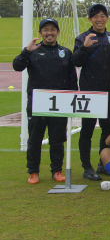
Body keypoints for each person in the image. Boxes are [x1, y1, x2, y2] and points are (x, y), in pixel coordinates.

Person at [13, 18, 78, 184]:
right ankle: (33, 172)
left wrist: (72, 99)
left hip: (60, 103)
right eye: (46, 30)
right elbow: (17, 66)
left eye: (53, 29)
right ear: (41, 33)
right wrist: (26, 51)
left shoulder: (65, 52)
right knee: (35, 139)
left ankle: (56, 170)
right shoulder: (32, 51)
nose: (50, 32)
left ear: (58, 32)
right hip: (37, 103)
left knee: (57, 140)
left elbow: (72, 79)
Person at [72, 3, 110, 181]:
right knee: (87, 130)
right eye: (95, 16)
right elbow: (76, 62)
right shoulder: (82, 37)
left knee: (108, 131)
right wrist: (84, 47)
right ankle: (87, 167)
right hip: (89, 93)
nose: (99, 19)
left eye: (102, 16)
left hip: (108, 92)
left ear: (107, 18)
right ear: (90, 19)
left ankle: (104, 162)